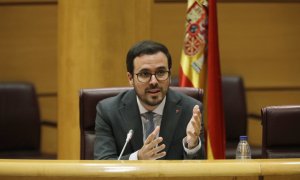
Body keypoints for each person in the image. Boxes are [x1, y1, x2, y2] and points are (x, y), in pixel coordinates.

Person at [94, 40, 205, 160]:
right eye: (145, 74)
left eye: (161, 72)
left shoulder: (191, 110)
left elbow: (200, 172)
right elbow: (103, 163)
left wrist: (192, 146)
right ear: (130, 78)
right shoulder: (109, 111)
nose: (154, 82)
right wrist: (138, 158)